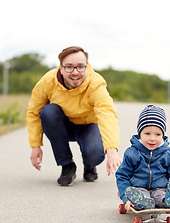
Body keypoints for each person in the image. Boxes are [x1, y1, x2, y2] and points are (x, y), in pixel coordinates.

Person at [27, 46, 121, 186]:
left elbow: (107, 113)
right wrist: (36, 145)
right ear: (61, 68)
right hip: (63, 126)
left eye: (80, 67)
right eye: (69, 67)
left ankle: (89, 166)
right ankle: (67, 166)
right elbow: (34, 111)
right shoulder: (48, 81)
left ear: (87, 66)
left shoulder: (95, 83)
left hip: (88, 125)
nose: (75, 72)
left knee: (94, 154)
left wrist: (112, 150)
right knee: (48, 111)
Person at [115, 105, 170, 211]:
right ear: (140, 134)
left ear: (163, 135)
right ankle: (142, 202)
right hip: (138, 188)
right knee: (139, 195)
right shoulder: (132, 153)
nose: (152, 138)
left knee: (161, 196)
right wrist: (125, 198)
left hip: (160, 188)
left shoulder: (169, 155)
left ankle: (169, 201)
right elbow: (122, 176)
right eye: (147, 133)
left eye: (157, 134)